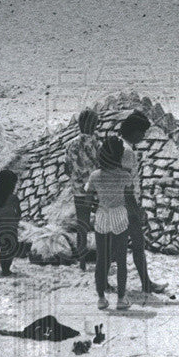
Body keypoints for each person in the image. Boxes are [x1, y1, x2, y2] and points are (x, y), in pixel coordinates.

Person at [116, 111, 167, 295]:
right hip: (126, 203)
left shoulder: (117, 145)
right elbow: (125, 184)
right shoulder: (128, 152)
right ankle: (146, 283)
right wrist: (135, 209)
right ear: (134, 131)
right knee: (138, 244)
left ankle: (104, 282)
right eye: (142, 132)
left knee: (115, 244)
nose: (143, 136)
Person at [85, 137, 134, 311]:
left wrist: (94, 208)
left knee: (101, 259)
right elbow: (130, 199)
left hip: (102, 215)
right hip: (119, 213)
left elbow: (88, 198)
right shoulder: (125, 176)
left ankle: (101, 298)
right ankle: (121, 298)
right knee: (121, 259)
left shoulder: (95, 176)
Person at [65, 109, 102, 271]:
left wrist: (77, 177)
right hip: (96, 189)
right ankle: (102, 258)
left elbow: (67, 168)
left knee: (82, 225)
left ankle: (81, 263)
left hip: (79, 190)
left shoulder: (71, 144)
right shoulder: (97, 143)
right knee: (101, 224)